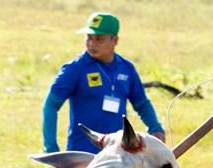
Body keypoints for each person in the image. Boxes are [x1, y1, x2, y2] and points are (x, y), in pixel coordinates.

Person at [41, 12, 166, 155]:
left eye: (99, 39)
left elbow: (141, 103)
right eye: (89, 38)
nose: (91, 44)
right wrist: (51, 148)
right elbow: (50, 105)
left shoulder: (126, 68)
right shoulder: (74, 69)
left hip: (117, 153)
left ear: (115, 40)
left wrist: (155, 128)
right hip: (82, 154)